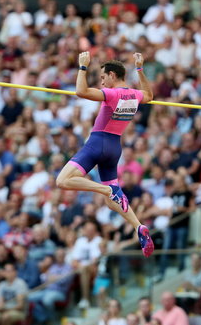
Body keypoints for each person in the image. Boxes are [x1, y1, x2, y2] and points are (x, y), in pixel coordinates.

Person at [56, 51, 154, 257]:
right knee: (113, 200)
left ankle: (106, 190)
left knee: (63, 181)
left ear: (112, 75)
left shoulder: (112, 93)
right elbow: (149, 96)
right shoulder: (134, 94)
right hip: (114, 147)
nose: (101, 82)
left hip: (97, 143)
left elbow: (81, 92)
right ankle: (138, 227)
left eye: (103, 77)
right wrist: (140, 69)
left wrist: (82, 66)